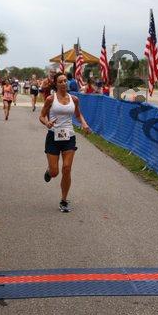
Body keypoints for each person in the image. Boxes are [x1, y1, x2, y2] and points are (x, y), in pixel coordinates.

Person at [40, 72, 91, 212]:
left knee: (67, 168)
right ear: (56, 84)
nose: (64, 83)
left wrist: (84, 124)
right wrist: (47, 123)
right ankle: (49, 171)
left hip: (69, 136)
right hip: (53, 136)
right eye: (60, 81)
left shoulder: (74, 99)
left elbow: (78, 114)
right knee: (55, 172)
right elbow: (42, 116)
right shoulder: (51, 99)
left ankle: (64, 200)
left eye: (65, 81)